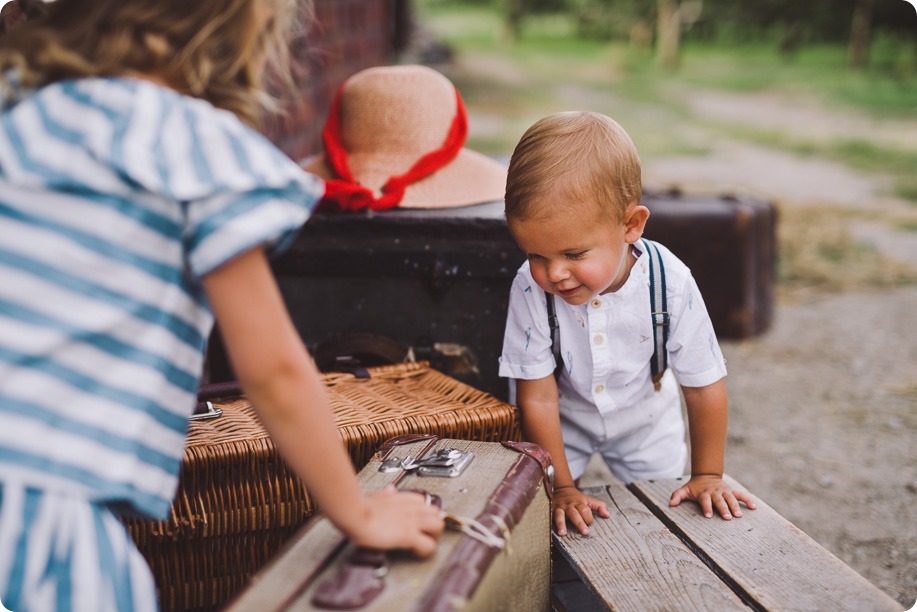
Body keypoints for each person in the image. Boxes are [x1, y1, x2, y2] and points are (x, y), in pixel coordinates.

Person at [0, 0, 443, 609]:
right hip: (43, 508)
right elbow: (273, 370)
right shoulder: (189, 144)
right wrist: (359, 513)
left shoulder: (22, 111)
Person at [499, 111, 757, 537]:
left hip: (645, 419)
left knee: (668, 515)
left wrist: (708, 474)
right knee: (545, 515)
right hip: (563, 421)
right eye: (535, 255)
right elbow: (538, 398)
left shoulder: (670, 282)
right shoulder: (530, 287)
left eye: (574, 254)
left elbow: (703, 384)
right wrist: (562, 487)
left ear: (630, 226)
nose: (554, 273)